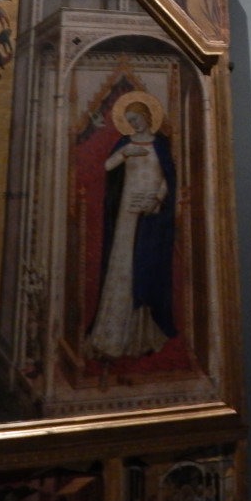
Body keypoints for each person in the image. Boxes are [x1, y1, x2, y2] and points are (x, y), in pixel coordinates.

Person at [87, 95, 177, 363]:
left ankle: (142, 336)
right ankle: (113, 336)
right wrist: (125, 153)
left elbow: (168, 178)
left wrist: (156, 200)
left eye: (136, 119)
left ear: (147, 117)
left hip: (151, 214)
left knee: (145, 267)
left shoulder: (160, 145)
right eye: (129, 121)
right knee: (123, 266)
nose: (134, 125)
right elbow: (107, 166)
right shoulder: (126, 143)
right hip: (127, 212)